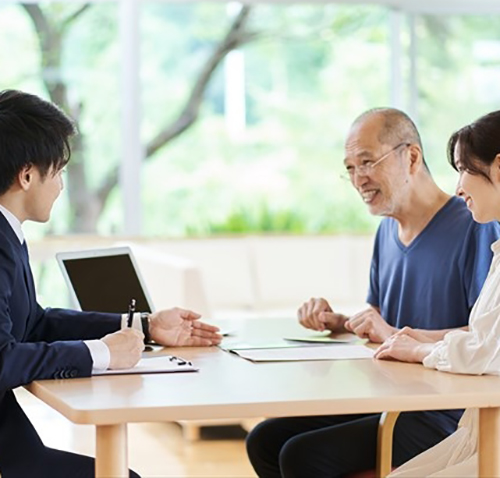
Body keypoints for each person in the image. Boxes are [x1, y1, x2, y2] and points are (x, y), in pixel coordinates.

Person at [246, 108, 500, 478]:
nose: (358, 179)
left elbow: (486, 341)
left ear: (411, 157)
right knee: (266, 439)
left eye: (367, 162)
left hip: (443, 409)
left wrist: (402, 340)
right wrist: (342, 322)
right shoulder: (386, 233)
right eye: (349, 168)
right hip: (393, 394)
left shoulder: (477, 226)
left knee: (302, 455)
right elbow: (383, 323)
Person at [0, 89, 222, 478]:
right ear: (28, 174)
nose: (62, 185)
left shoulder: (8, 235)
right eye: (60, 171)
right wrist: (101, 354)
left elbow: (33, 322)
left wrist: (144, 326)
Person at [374, 110, 500, 478]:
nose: (459, 187)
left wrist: (420, 350)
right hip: (479, 429)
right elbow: (487, 339)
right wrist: (423, 339)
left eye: (464, 169)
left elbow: (487, 354)